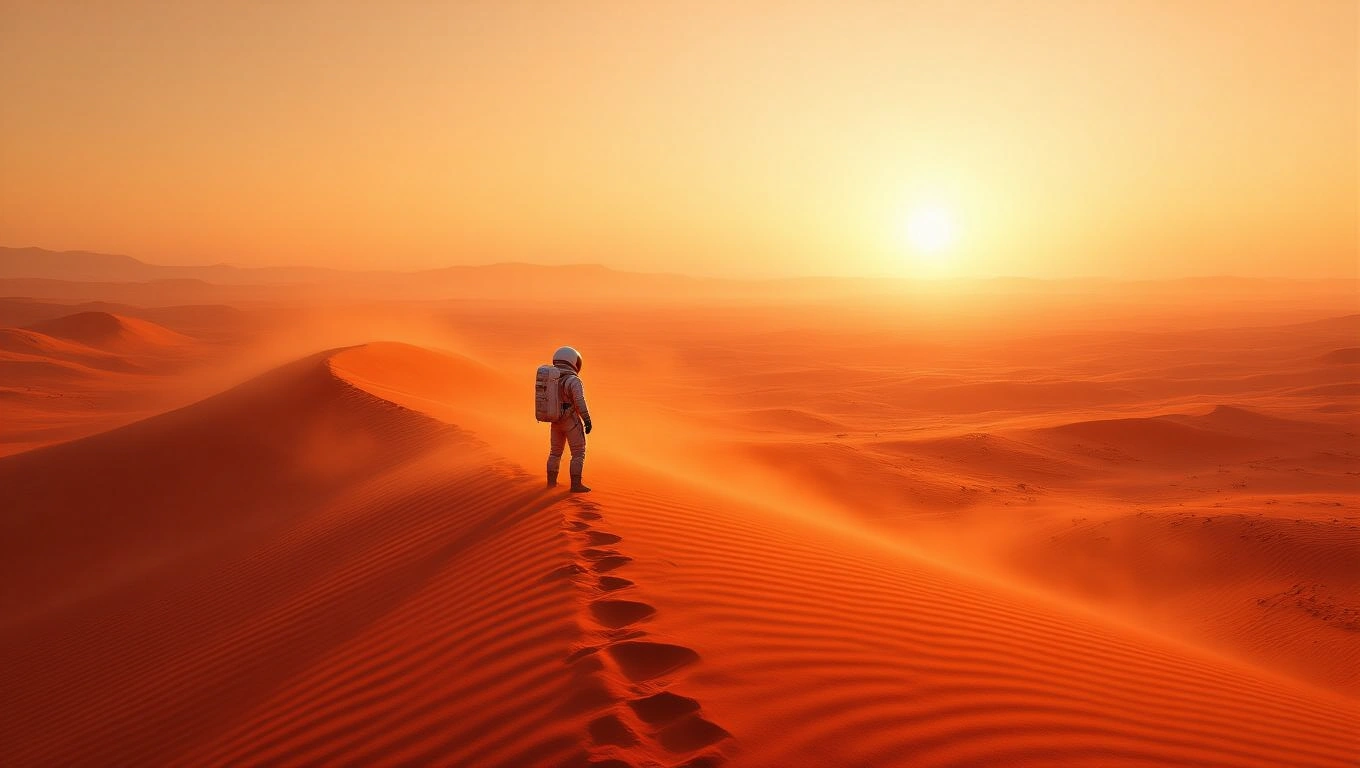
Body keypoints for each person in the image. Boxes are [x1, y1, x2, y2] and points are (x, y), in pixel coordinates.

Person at [546, 345, 592, 493]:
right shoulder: (573, 380)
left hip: (555, 421)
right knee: (578, 452)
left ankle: (551, 483)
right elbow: (580, 401)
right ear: (572, 361)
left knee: (555, 453)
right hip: (570, 421)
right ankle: (576, 484)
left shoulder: (551, 379)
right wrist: (587, 420)